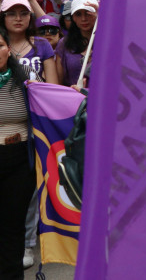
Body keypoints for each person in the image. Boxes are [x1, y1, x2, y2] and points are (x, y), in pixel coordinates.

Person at [0, 30, 41, 280]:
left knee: (12, 227)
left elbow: (48, 102)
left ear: (8, 50)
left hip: (18, 162)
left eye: (0, 45)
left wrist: (71, 94)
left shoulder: (24, 79)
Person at [0, 0, 56, 84]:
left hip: (36, 97)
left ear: (30, 17)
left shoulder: (43, 44)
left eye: (24, 13)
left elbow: (53, 86)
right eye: (11, 14)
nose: (18, 18)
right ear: (3, 17)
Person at [54, 0, 98, 87]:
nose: (83, 19)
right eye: (78, 14)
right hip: (72, 100)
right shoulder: (64, 44)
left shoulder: (108, 42)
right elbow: (58, 82)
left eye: (88, 13)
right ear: (73, 18)